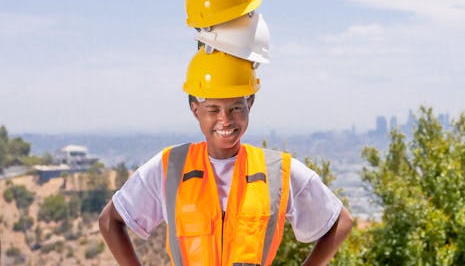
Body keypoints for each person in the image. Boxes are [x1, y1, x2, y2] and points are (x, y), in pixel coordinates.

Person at [99, 47, 353, 265]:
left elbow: (340, 222)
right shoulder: (170, 167)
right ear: (195, 110)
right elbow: (111, 221)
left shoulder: (277, 170)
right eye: (213, 109)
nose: (225, 120)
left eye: (235, 107)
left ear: (249, 105)